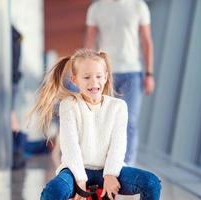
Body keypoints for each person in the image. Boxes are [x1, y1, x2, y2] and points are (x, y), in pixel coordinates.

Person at [30, 49, 161, 200]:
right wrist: (80, 180)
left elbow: (118, 145)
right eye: (86, 77)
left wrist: (110, 174)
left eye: (99, 76)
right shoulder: (69, 105)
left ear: (106, 77)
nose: (94, 82)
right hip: (75, 171)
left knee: (152, 182)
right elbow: (70, 147)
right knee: (52, 190)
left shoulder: (118, 106)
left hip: (110, 169)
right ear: (74, 80)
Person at [85, 0, 155, 165]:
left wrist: (149, 73)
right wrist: (87, 75)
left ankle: (127, 165)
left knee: (130, 120)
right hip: (104, 74)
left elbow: (147, 42)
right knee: (103, 120)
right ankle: (104, 163)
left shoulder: (139, 6)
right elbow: (90, 42)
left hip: (132, 72)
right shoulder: (96, 8)